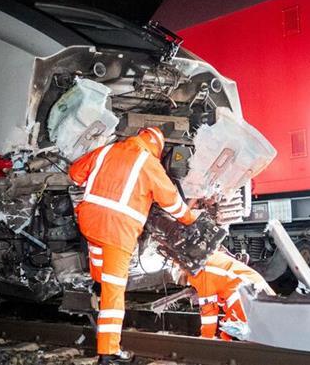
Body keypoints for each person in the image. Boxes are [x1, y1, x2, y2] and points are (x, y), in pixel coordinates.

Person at [69, 126, 199, 365]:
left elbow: (75, 174)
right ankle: (108, 353)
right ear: (157, 148)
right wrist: (191, 220)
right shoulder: (149, 163)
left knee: (100, 266)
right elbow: (172, 202)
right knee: (113, 291)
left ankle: (96, 287)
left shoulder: (106, 150)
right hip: (117, 233)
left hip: (90, 224)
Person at [186, 248, 273, 340]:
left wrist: (205, 338)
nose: (195, 301)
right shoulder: (209, 258)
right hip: (258, 295)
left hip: (251, 300)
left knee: (233, 336)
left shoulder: (202, 274)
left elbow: (208, 311)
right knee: (228, 335)